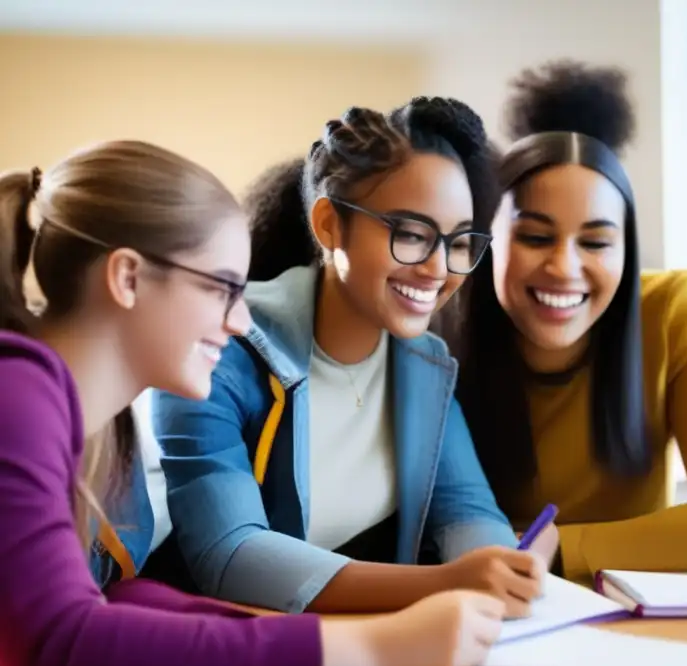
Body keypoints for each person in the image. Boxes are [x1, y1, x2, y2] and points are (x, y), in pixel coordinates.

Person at [0, 142, 510, 666]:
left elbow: (116, 604)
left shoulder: (100, 433)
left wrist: (351, 638)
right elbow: (61, 647)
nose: (241, 321)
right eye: (222, 289)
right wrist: (376, 649)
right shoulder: (15, 396)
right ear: (127, 277)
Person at [151, 97, 551, 616]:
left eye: (457, 243)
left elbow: (464, 513)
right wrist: (447, 584)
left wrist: (503, 568)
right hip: (196, 651)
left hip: (333, 650)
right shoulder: (219, 350)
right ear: (329, 225)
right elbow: (231, 554)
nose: (437, 268)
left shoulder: (422, 364)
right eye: (410, 234)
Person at [447, 61, 687, 584]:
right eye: (535, 237)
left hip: (627, 612)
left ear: (628, 251)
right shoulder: (439, 327)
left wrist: (553, 545)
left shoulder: (675, 311)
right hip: (480, 603)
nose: (564, 267)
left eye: (596, 242)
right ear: (488, 243)